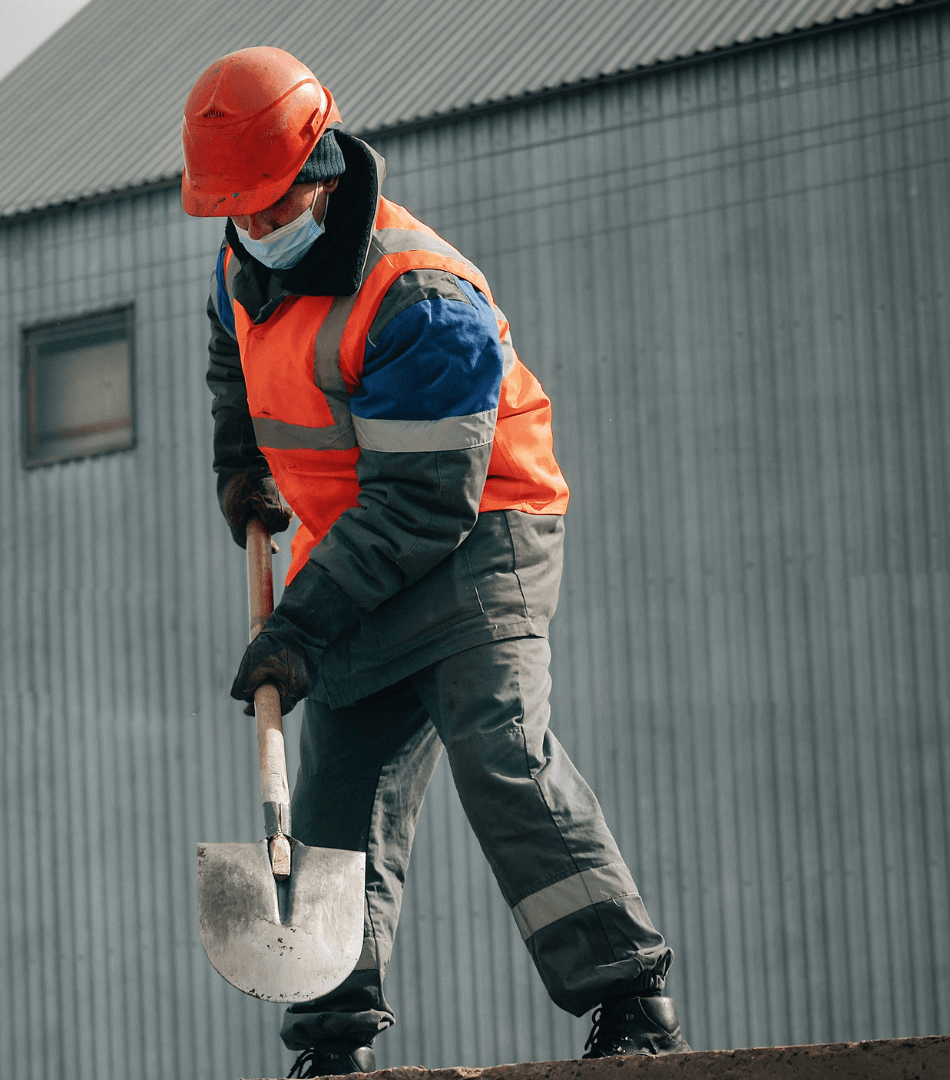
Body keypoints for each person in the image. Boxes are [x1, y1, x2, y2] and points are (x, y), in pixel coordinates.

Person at [184, 47, 688, 1076]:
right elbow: (233, 358)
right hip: (355, 542)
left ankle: (629, 997)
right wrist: (246, 470)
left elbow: (425, 504)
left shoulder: (423, 297)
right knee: (334, 803)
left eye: (273, 209)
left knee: (499, 752)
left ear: (322, 173)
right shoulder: (244, 263)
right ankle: (332, 1041)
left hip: (480, 532)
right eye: (238, 214)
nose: (256, 231)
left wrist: (300, 628)